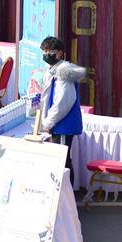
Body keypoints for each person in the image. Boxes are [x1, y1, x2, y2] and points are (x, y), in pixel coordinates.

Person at [39, 36, 86, 185]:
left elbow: (63, 102)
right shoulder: (52, 71)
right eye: (44, 51)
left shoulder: (64, 71)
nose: (47, 54)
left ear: (59, 53)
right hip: (57, 124)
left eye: (50, 51)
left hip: (63, 124)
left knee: (63, 161)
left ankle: (67, 195)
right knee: (60, 159)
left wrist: (48, 122)